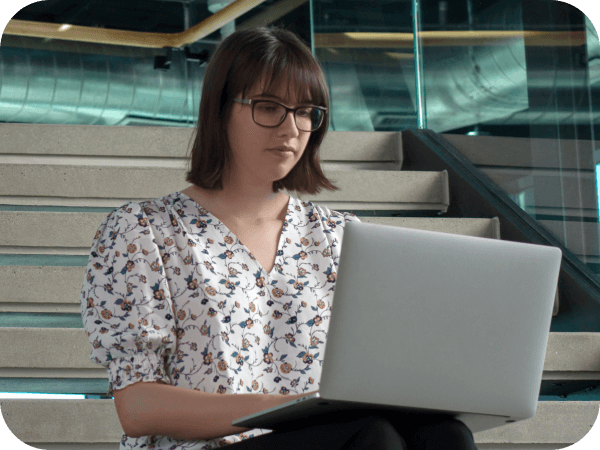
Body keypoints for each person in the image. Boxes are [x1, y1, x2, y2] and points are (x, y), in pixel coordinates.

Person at [80, 26, 477, 450]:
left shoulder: (341, 236)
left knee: (446, 435)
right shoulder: (144, 231)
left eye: (306, 111)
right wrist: (284, 407)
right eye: (269, 107)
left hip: (335, 435)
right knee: (371, 436)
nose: (291, 129)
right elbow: (139, 408)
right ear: (220, 109)